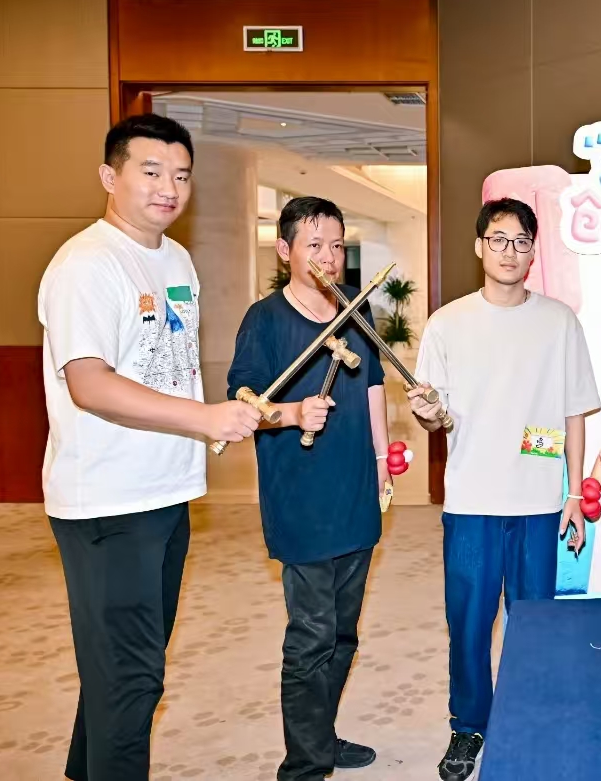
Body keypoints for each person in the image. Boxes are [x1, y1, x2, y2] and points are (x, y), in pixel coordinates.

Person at [37, 114, 262, 781]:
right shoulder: (87, 263)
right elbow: (90, 383)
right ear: (110, 177)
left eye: (182, 175)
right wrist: (203, 418)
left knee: (123, 671)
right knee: (131, 678)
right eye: (151, 171)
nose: (169, 188)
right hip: (108, 501)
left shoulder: (176, 259)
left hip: (166, 491)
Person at [407, 197, 600, 781]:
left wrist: (573, 494)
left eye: (520, 241)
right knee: (467, 622)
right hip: (471, 501)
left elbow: (573, 413)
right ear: (479, 247)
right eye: (498, 239)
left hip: (538, 503)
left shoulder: (559, 321)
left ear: (533, 251)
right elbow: (435, 414)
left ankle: (531, 717)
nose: (509, 251)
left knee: (535, 620)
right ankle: (469, 725)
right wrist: (429, 412)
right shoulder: (448, 323)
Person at [227, 197, 389, 781]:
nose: (329, 257)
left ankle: (320, 736)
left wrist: (382, 462)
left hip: (356, 495)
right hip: (301, 504)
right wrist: (293, 413)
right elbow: (244, 402)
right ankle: (303, 765)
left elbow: (372, 387)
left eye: (337, 245)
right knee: (311, 637)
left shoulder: (355, 310)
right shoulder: (265, 320)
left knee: (343, 633)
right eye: (314, 245)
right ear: (285, 250)